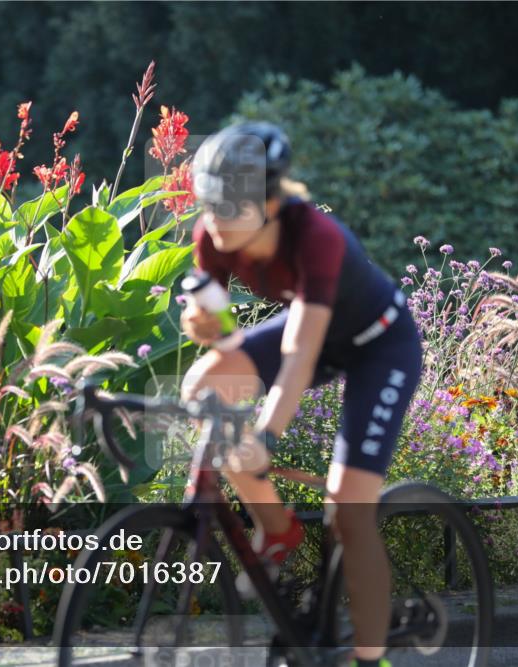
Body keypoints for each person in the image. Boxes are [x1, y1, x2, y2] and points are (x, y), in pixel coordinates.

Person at [180, 122, 424, 667]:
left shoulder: (317, 238)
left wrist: (267, 434)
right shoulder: (212, 239)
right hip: (311, 332)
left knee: (348, 511)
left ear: (268, 202)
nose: (214, 219)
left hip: (378, 344)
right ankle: (276, 528)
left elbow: (299, 354)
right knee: (201, 385)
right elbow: (220, 331)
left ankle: (371, 656)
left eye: (230, 206)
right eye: (208, 203)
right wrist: (202, 325)